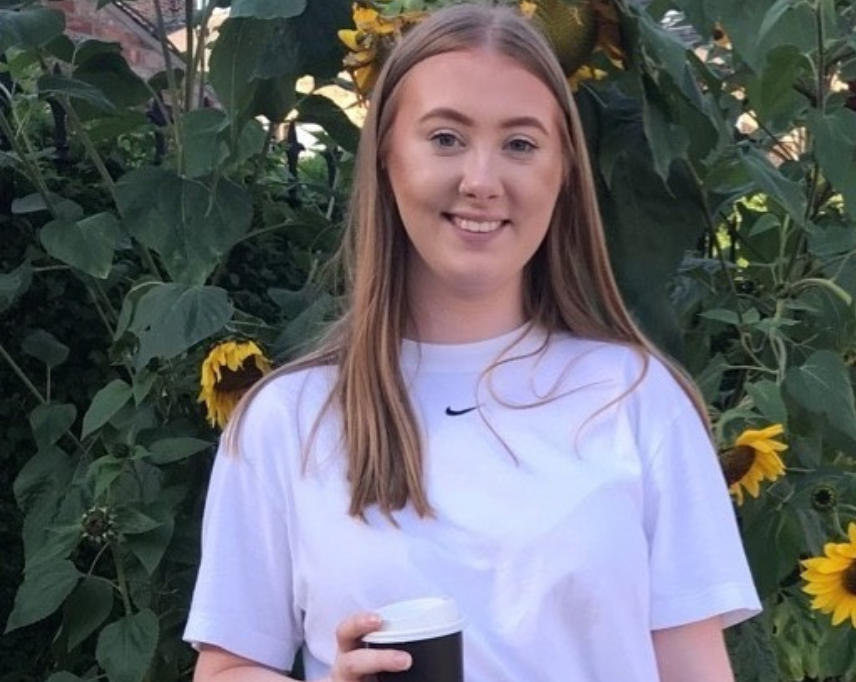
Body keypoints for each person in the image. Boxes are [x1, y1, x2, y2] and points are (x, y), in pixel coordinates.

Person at [184, 3, 761, 680]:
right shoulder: (287, 421)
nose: (481, 181)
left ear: (563, 172)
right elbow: (227, 669)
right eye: (446, 138)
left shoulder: (638, 400)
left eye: (520, 144)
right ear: (386, 159)